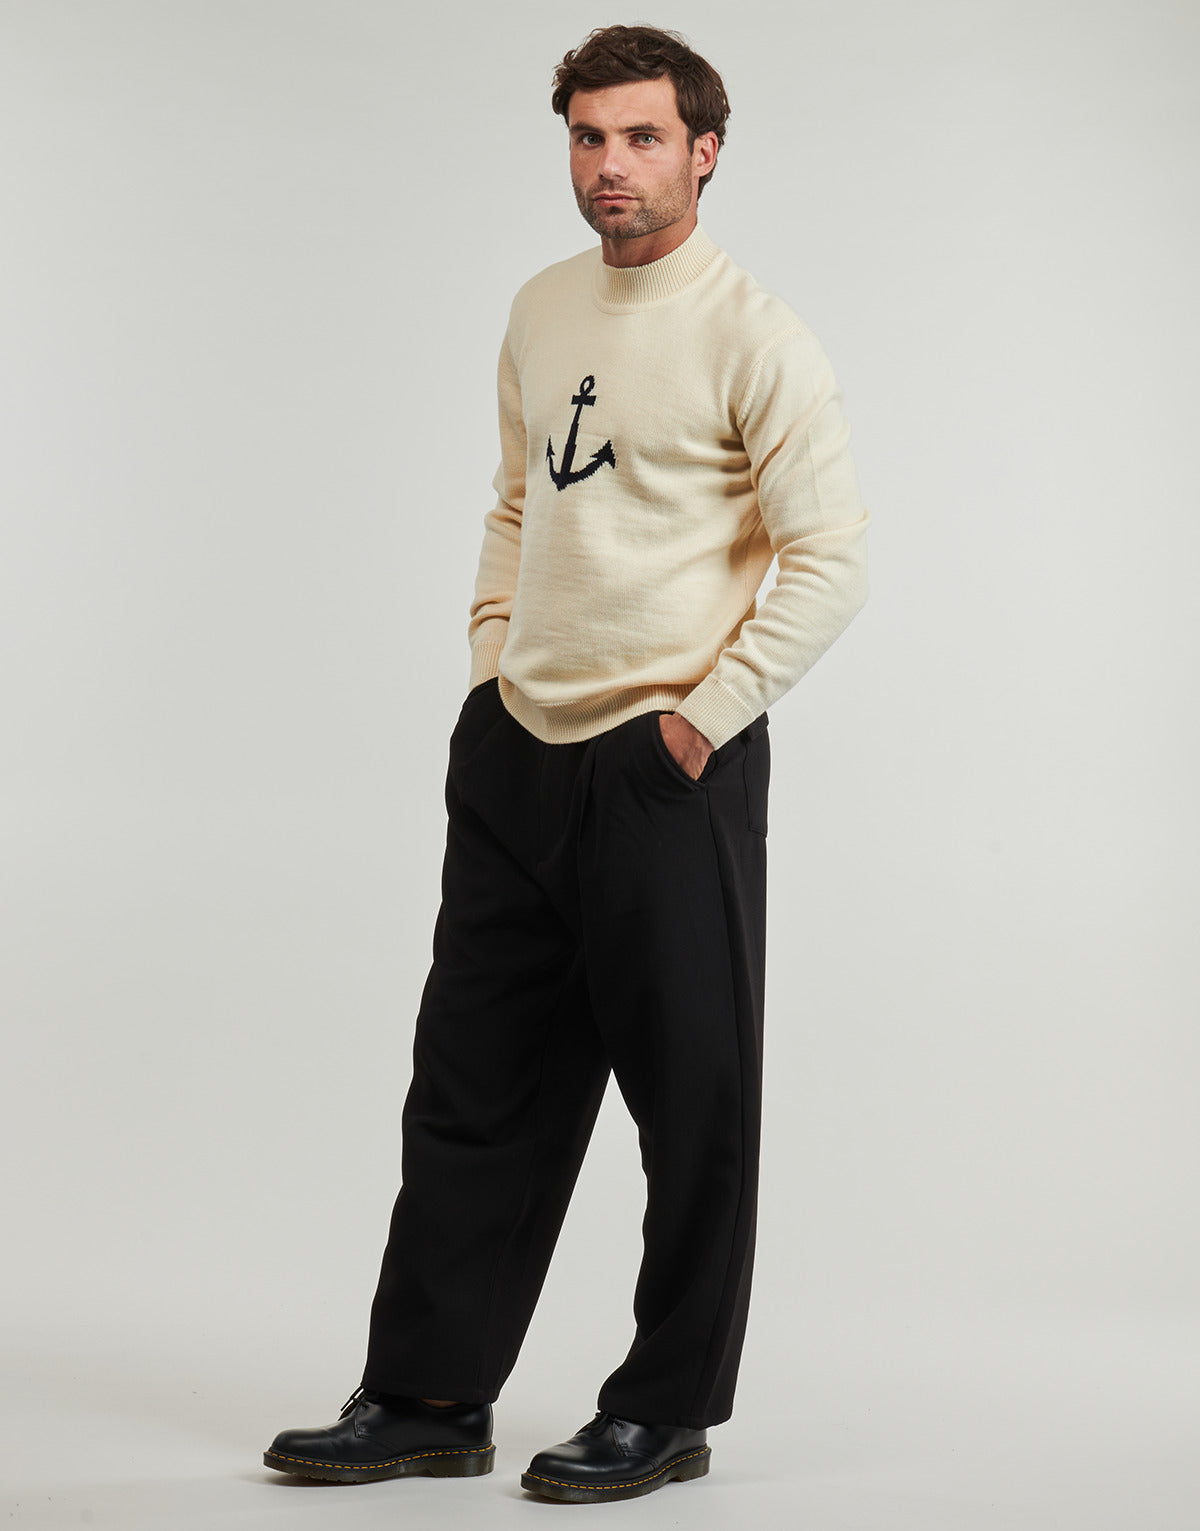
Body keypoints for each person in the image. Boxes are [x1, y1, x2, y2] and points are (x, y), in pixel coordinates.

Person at [263, 22, 870, 1504]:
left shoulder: (756, 335)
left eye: (643, 137)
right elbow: (517, 505)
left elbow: (830, 559)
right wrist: (491, 668)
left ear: (704, 151)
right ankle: (426, 1395)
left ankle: (665, 1411)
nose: (612, 166)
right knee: (471, 1087)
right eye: (590, 138)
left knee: (693, 1102)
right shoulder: (542, 309)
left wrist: (700, 721)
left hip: (667, 765)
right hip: (519, 752)